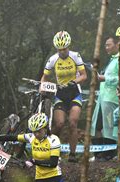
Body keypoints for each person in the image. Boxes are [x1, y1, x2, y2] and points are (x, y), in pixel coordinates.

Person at [41, 31, 87, 163]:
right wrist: (42, 87)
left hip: (74, 93)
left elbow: (84, 76)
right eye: (59, 49)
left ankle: (72, 155)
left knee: (73, 122)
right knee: (60, 124)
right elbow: (44, 78)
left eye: (64, 49)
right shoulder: (53, 59)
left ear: (69, 46)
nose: (62, 52)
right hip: (60, 94)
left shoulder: (75, 56)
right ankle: (51, 149)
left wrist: (74, 81)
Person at [90, 37, 119, 161]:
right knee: (96, 126)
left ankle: (109, 154)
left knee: (109, 127)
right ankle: (98, 154)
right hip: (102, 98)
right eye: (105, 45)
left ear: (117, 44)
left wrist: (103, 78)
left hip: (112, 98)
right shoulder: (112, 60)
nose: (106, 48)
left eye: (109, 45)